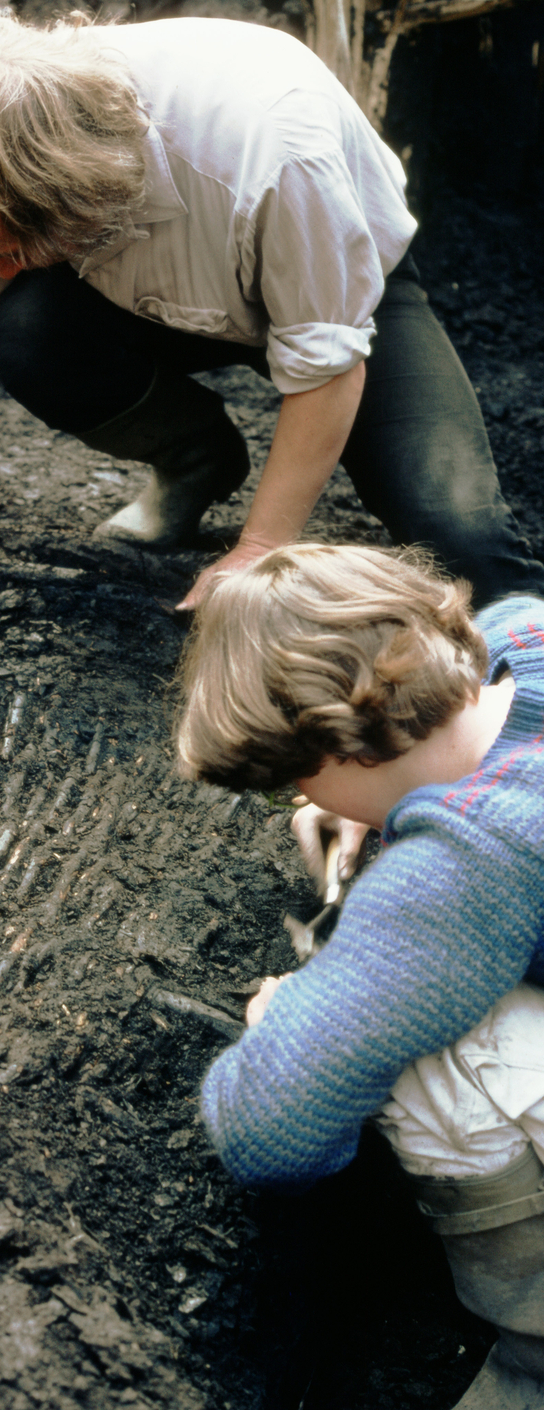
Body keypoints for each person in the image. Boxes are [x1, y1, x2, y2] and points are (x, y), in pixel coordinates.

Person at [0, 10, 544, 612]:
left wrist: (260, 548)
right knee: (26, 332)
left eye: (11, 250)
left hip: (339, 295)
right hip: (141, 292)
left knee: (458, 532)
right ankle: (197, 460)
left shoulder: (276, 148)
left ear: (81, 199)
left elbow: (325, 364)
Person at [174, 542, 544, 1409]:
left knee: (431, 1046)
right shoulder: (522, 634)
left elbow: (273, 1133)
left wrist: (288, 1020)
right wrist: (389, 815)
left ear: (339, 751)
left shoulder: (475, 858)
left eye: (294, 779)